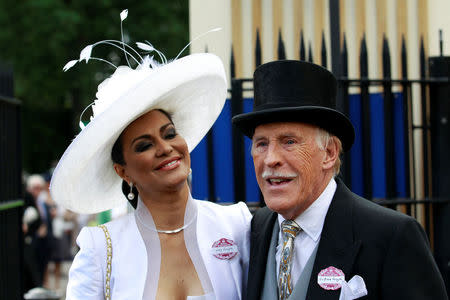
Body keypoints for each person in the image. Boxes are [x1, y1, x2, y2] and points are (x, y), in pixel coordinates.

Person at [50, 10, 250, 300]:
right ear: (123, 170)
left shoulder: (237, 225)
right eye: (144, 145)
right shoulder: (101, 249)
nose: (165, 147)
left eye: (169, 134)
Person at [232, 60, 448, 299]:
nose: (271, 159)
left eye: (289, 142)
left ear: (330, 153)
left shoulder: (391, 236)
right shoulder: (257, 228)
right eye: (261, 144)